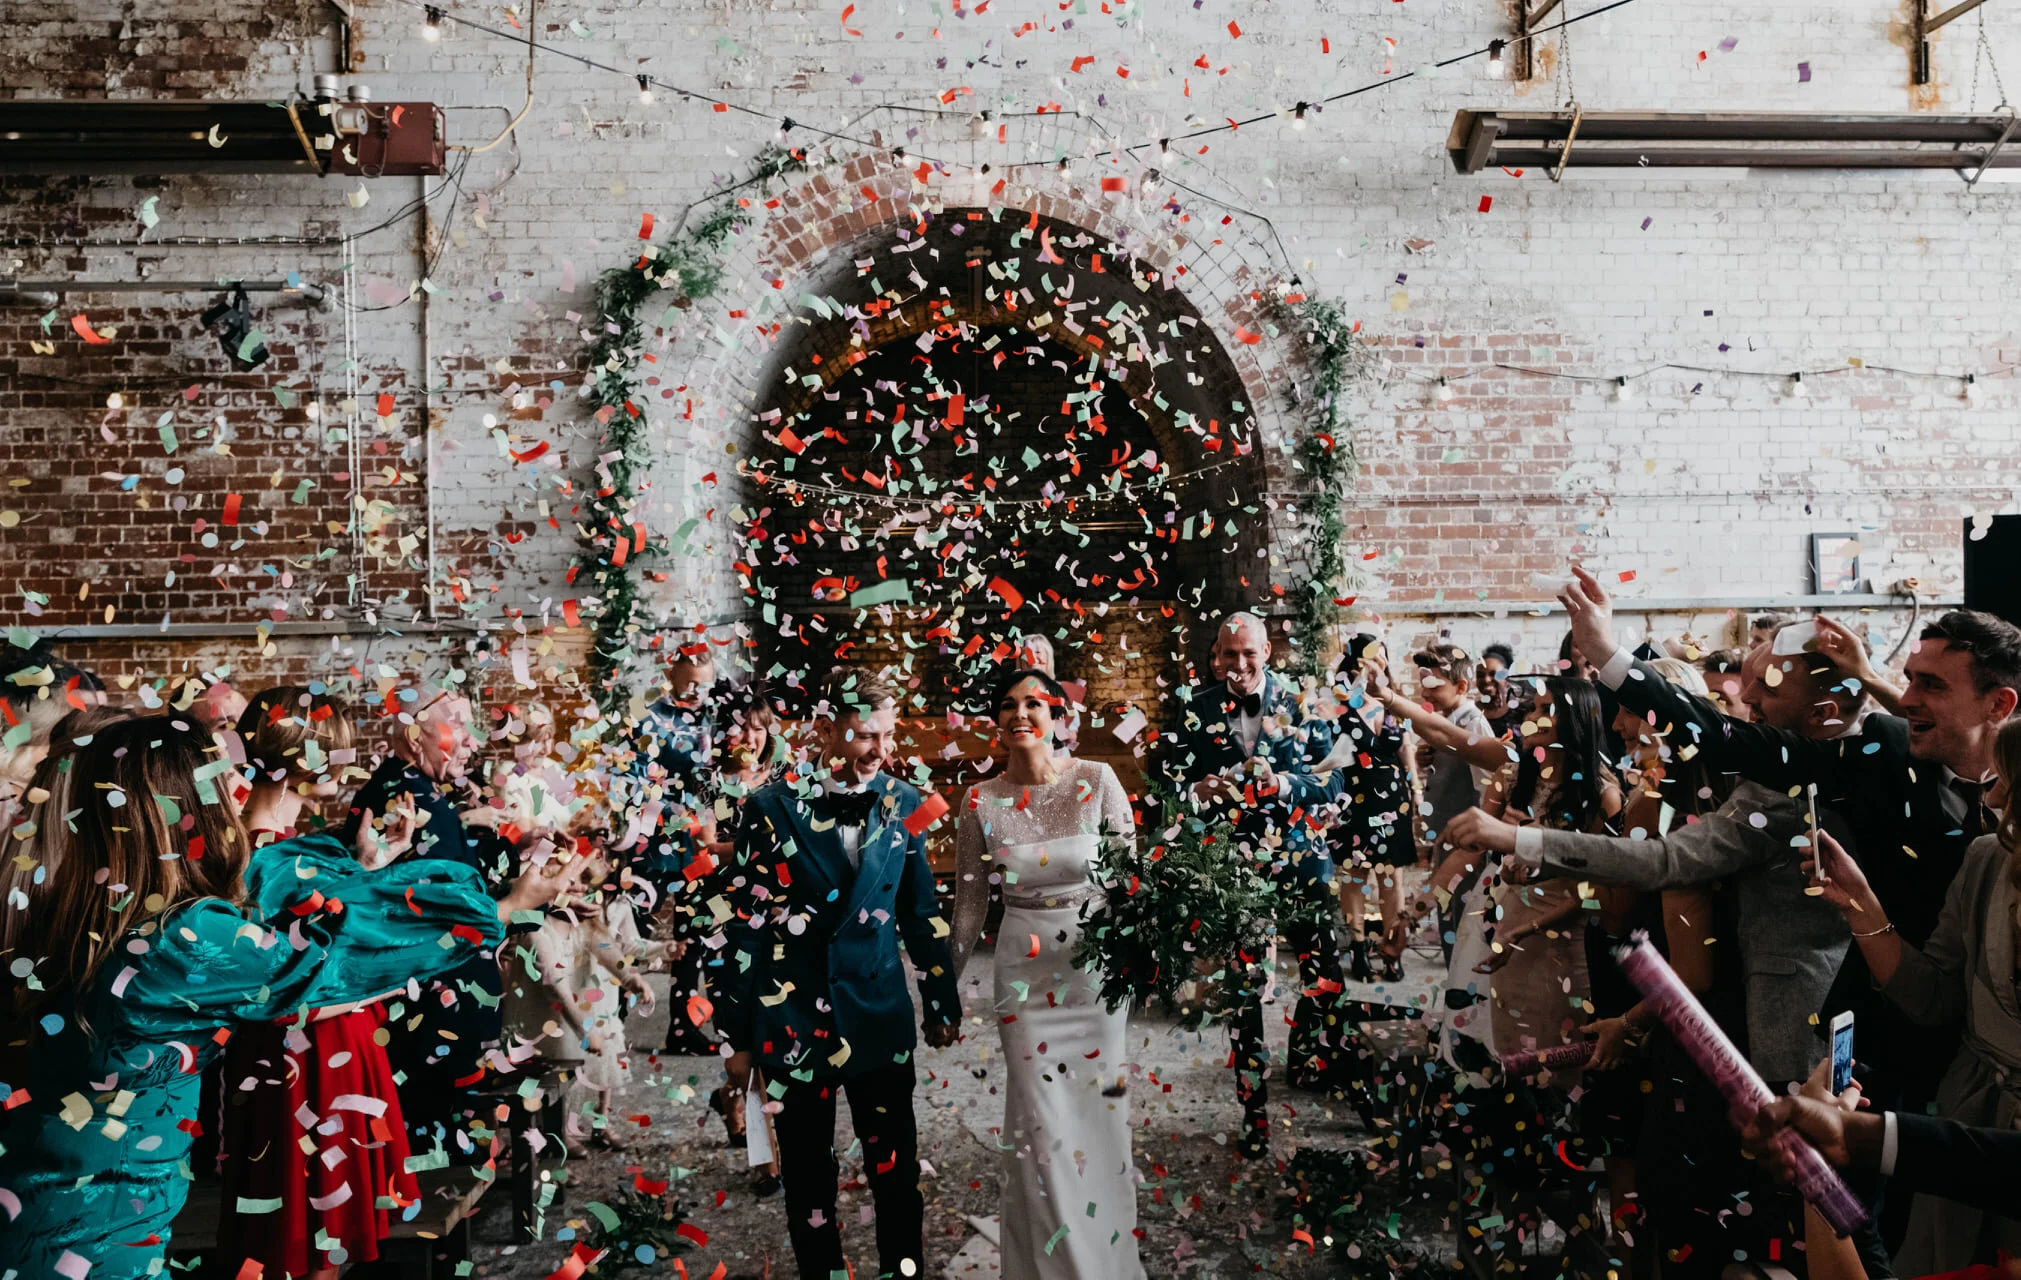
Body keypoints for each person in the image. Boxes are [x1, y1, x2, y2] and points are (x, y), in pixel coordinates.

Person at [0, 714, 563, 1280]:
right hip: (95, 1245)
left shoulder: (65, 912)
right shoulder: (177, 939)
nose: (237, 786)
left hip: (37, 1213)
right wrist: (508, 907)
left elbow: (263, 891)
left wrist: (363, 867)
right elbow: (328, 958)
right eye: (220, 777)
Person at [1559, 569, 2021, 1110]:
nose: (1909, 697)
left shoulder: (1957, 780)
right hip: (1895, 1035)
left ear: (2000, 705)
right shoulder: (1883, 754)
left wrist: (1869, 678)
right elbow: (1730, 741)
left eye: (1931, 685)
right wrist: (1607, 654)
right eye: (1910, 681)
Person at [716, 667, 961, 1280]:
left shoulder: (906, 803)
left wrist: (940, 1000)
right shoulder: (768, 807)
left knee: (896, 1174)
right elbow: (744, 926)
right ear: (825, 731)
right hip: (794, 1017)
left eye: (886, 735)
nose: (879, 750)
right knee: (808, 1180)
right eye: (864, 735)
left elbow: (920, 912)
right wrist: (736, 1038)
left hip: (878, 1014)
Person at [1804, 715, 2021, 1272]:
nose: (1993, 795)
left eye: (2008, 780)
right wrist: (1861, 903)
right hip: (1970, 1122)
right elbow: (1933, 996)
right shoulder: (1986, 862)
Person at [949, 668, 1142, 1280]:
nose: (1020, 714)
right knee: (1039, 1121)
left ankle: (1106, 1258)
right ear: (996, 721)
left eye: (1034, 703)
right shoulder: (979, 801)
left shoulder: (1098, 780)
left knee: (1100, 1113)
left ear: (1059, 716)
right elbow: (970, 906)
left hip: (1093, 973)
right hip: (1024, 977)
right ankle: (1054, 1266)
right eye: (1008, 705)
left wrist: (1140, 959)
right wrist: (942, 986)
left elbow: (1129, 881)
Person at [1153, 611, 1344, 1158]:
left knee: (1324, 976)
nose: (1239, 663)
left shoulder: (1303, 703)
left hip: (1301, 861)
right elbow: (1170, 781)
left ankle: (1308, 1063)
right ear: (1217, 657)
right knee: (1245, 989)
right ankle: (1253, 1111)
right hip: (1235, 870)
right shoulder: (1195, 708)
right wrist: (1197, 791)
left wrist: (1284, 783)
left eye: (1249, 653)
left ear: (1267, 653)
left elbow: (1335, 776)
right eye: (1230, 653)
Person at [339, 687, 506, 1139]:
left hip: (438, 1015)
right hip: (429, 1021)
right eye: (459, 726)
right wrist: (525, 901)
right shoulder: (407, 798)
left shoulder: (419, 789)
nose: (471, 740)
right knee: (438, 1145)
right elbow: (445, 912)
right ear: (415, 736)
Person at [629, 645, 722, 1056]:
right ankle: (609, 1025)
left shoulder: (716, 717)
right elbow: (631, 782)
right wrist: (674, 811)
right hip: (654, 843)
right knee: (634, 932)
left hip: (698, 845)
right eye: (690, 684)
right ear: (671, 674)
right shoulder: (648, 718)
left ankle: (683, 1029)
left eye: (704, 685)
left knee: (694, 937)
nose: (697, 692)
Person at [1325, 635, 1415, 983]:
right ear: (1354, 663)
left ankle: (1392, 951)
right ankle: (1359, 949)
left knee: (1392, 879)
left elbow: (1406, 748)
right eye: (1368, 659)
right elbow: (1330, 757)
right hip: (1356, 797)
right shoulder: (1339, 704)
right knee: (1354, 876)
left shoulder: (1394, 702)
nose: (1376, 665)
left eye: (1381, 658)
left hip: (1394, 798)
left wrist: (1416, 789)